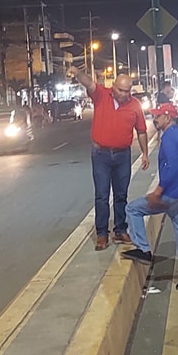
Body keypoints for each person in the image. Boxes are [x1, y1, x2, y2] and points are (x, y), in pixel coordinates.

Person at [70, 66, 149, 250]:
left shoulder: (135, 105)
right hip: (101, 155)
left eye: (128, 91)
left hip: (123, 155)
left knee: (121, 194)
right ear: (113, 87)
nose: (125, 94)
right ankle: (102, 234)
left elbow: (141, 131)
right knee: (102, 195)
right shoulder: (101, 95)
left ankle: (120, 229)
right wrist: (77, 73)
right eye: (121, 90)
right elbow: (89, 83)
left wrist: (145, 153)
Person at [122, 102, 178, 293]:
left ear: (168, 117)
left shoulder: (169, 138)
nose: (154, 119)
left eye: (158, 116)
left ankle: (143, 249)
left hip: (169, 195)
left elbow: (172, 168)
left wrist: (158, 191)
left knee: (133, 209)